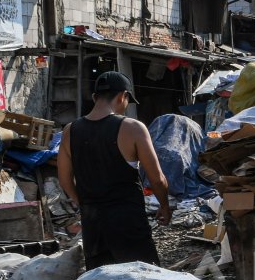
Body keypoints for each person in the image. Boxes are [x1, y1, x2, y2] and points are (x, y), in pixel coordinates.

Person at [57, 71, 171, 269]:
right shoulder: (133, 128)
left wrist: (83, 203)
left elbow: (65, 179)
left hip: (93, 226)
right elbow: (158, 179)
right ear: (122, 96)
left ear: (95, 98)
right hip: (128, 223)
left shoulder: (70, 130)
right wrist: (164, 206)